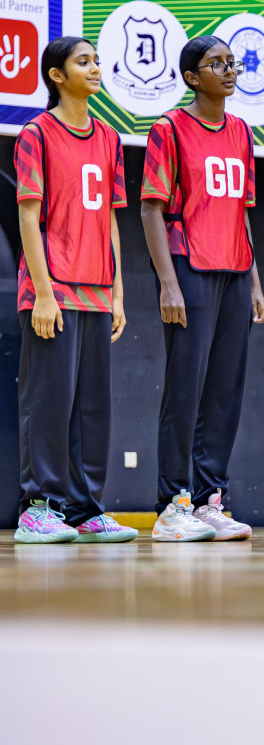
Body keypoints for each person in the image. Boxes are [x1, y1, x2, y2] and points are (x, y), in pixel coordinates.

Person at [141, 36, 264, 543]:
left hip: (235, 272)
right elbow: (151, 208)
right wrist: (167, 282)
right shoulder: (170, 128)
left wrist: (254, 281)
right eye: (217, 64)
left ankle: (210, 499)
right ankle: (173, 505)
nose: (229, 71)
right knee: (185, 389)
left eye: (232, 63)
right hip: (189, 268)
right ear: (192, 77)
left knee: (223, 393)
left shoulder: (241, 131)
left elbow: (243, 212)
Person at [12, 37, 136, 544]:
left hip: (97, 290)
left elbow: (110, 219)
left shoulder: (108, 137)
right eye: (83, 62)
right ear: (57, 75)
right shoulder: (36, 134)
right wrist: (43, 293)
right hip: (53, 290)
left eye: (97, 61)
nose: (95, 68)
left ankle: (86, 510)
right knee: (48, 402)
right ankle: (38, 508)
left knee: (91, 408)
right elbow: (27, 215)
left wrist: (118, 293)